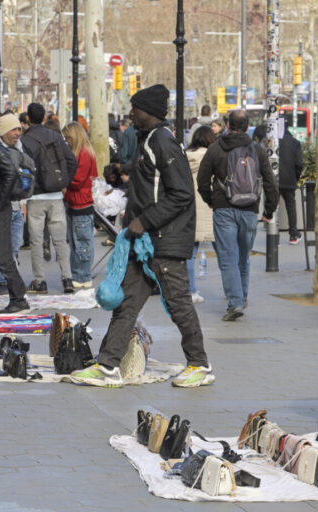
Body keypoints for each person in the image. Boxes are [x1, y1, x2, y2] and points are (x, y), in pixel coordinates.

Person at [71, 84, 215, 389]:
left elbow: (181, 194)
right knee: (125, 303)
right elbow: (150, 177)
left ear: (148, 111)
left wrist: (144, 221)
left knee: (179, 305)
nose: (130, 113)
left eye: (135, 108)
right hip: (146, 240)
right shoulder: (146, 139)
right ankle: (108, 366)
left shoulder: (163, 141)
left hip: (163, 239)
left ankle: (200, 364)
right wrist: (121, 171)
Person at [197, 109, 279, 322]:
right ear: (247, 126)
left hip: (224, 208)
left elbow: (202, 179)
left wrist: (211, 200)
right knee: (243, 257)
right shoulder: (257, 150)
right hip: (250, 209)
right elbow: (270, 182)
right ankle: (240, 298)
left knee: (228, 258)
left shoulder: (216, 148)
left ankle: (235, 302)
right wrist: (269, 210)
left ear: (229, 125)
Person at [21, 102, 78, 294]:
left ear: (27, 118)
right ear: (44, 117)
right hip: (55, 195)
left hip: (35, 196)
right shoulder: (54, 136)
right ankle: (67, 279)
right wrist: (64, 183)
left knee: (36, 241)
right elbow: (72, 161)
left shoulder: (25, 140)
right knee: (60, 240)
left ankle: (40, 281)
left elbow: (23, 170)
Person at [0, 115, 29, 312]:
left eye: (18, 130)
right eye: (14, 130)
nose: (17, 134)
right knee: (3, 256)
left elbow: (11, 172)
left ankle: (19, 299)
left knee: (3, 257)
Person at [61, 122, 97, 289]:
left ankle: (82, 276)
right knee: (78, 241)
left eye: (68, 138)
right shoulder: (85, 152)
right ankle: (80, 274)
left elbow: (78, 180)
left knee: (81, 242)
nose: (66, 141)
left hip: (80, 202)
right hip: (77, 201)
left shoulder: (82, 153)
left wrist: (63, 182)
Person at [185, 125, 217, 303]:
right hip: (210, 206)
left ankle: (190, 290)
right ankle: (234, 290)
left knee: (190, 253)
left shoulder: (186, 157)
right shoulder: (211, 156)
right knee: (226, 252)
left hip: (190, 208)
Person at [278, 128, 305, 245]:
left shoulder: (271, 141)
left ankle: (274, 237)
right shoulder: (294, 142)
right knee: (291, 206)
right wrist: (296, 177)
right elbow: (299, 163)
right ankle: (293, 235)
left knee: (273, 206)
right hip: (289, 179)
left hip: (273, 179)